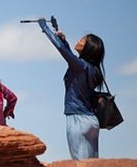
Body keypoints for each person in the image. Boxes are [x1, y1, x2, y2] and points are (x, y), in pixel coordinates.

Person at [38, 17, 104, 159]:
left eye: (82, 40)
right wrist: (64, 40)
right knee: (93, 164)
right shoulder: (92, 69)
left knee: (80, 166)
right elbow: (70, 56)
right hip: (92, 121)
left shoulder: (80, 66)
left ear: (88, 48)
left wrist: (45, 28)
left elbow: (62, 50)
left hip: (77, 120)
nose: (79, 41)